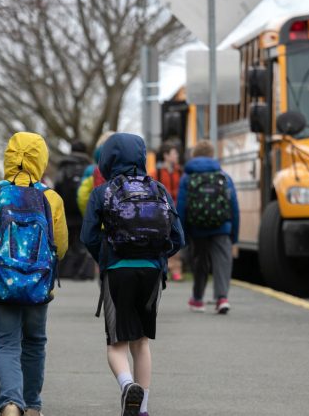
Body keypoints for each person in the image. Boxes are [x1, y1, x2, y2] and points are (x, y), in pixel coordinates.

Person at [0, 132, 68, 416]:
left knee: (7, 344)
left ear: (9, 157)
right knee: (34, 343)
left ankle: (10, 403)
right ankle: (32, 406)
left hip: (0, 283)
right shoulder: (51, 198)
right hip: (38, 285)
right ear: (41, 160)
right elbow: (61, 245)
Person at [81, 133, 184, 416]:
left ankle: (127, 386)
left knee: (117, 343)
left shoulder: (103, 192)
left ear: (108, 158)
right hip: (151, 273)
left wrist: (105, 258)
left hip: (117, 271)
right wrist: (158, 257)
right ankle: (143, 409)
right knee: (141, 342)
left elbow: (88, 236)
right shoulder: (159, 189)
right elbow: (178, 237)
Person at [176, 140, 239, 314]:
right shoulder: (224, 176)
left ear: (194, 155)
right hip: (222, 227)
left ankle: (197, 300)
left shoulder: (187, 177)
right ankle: (222, 298)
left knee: (199, 263)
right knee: (222, 263)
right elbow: (234, 206)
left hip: (197, 228)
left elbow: (181, 206)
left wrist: (181, 233)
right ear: (212, 155)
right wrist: (234, 235)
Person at [54, 140, 95, 279]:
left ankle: (65, 272)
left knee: (67, 240)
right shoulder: (89, 168)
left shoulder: (63, 167)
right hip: (83, 210)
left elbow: (56, 189)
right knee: (82, 242)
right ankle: (83, 272)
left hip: (65, 210)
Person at [153, 140, 184, 282]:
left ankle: (176, 269)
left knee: (177, 238)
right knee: (163, 240)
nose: (176, 156)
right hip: (161, 213)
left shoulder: (181, 172)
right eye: (173, 153)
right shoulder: (156, 173)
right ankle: (165, 267)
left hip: (177, 212)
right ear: (166, 156)